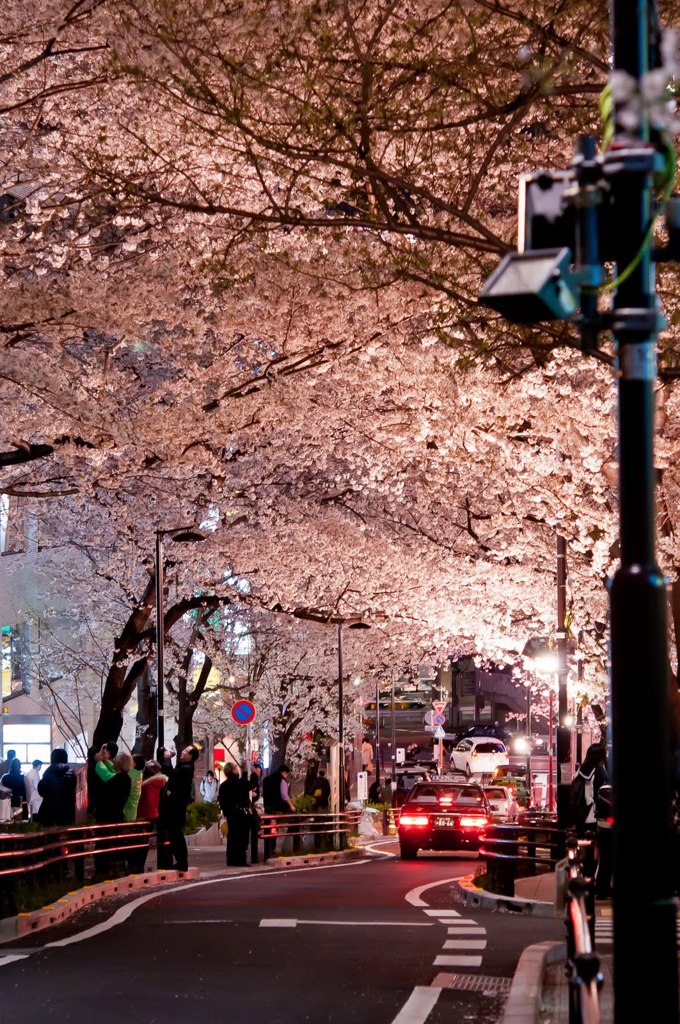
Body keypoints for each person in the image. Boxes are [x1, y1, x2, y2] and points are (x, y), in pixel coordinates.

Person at [158, 745, 199, 872]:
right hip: (174, 807)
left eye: (186, 751)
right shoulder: (184, 766)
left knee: (176, 835)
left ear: (190, 756)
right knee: (174, 835)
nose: (183, 751)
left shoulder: (186, 768)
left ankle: (181, 862)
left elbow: (171, 774)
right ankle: (179, 861)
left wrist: (167, 759)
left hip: (175, 808)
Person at [219, 763, 252, 866]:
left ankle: (231, 860)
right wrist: (248, 772)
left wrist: (226, 811)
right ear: (233, 770)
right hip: (241, 813)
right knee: (242, 837)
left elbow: (222, 801)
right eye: (236, 768)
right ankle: (241, 860)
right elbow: (251, 785)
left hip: (231, 814)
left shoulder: (223, 785)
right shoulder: (240, 782)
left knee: (232, 837)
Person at [37, 748, 77, 827]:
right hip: (67, 813)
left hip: (49, 813)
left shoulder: (48, 773)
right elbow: (72, 791)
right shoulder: (71, 774)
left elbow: (42, 791)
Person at [262, 764, 295, 857]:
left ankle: (268, 850)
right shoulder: (282, 780)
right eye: (287, 775)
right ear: (284, 772)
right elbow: (284, 795)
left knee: (269, 829)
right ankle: (274, 849)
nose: (286, 777)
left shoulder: (266, 779)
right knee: (277, 829)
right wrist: (291, 806)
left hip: (268, 808)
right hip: (278, 809)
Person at [124, 755, 145, 822]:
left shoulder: (131, 773)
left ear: (134, 764)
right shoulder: (139, 773)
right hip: (132, 810)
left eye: (130, 761)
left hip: (127, 809)